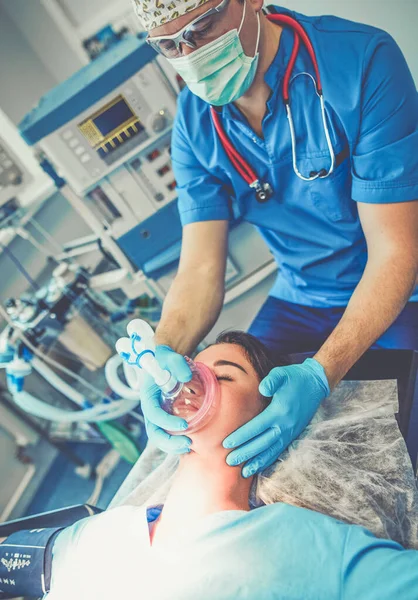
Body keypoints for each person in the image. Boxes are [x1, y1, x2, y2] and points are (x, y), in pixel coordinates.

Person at [131, 0, 418, 476]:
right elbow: (201, 269)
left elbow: (396, 252)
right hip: (299, 296)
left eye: (203, 28)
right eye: (169, 45)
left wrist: (319, 374)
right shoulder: (195, 122)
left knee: (396, 452)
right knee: (229, 423)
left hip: (399, 292)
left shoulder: (361, 62)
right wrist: (161, 355)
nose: (190, 53)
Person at [4, 331, 417, 599]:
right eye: (193, 370)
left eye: (224, 376)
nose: (192, 383)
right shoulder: (96, 535)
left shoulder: (302, 546)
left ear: (271, 413)